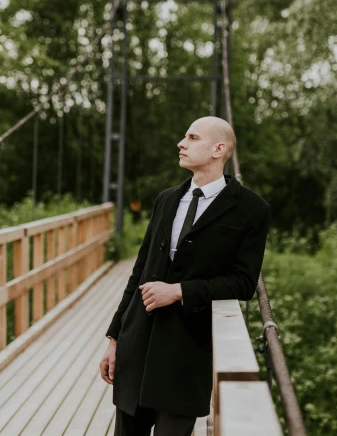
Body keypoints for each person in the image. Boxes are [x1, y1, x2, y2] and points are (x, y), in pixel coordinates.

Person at [99, 116, 272, 436]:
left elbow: (244, 282)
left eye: (192, 138)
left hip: (187, 352)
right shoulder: (165, 199)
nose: (181, 143)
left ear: (218, 149)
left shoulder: (252, 209)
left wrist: (179, 291)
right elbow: (139, 271)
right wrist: (114, 338)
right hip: (138, 344)